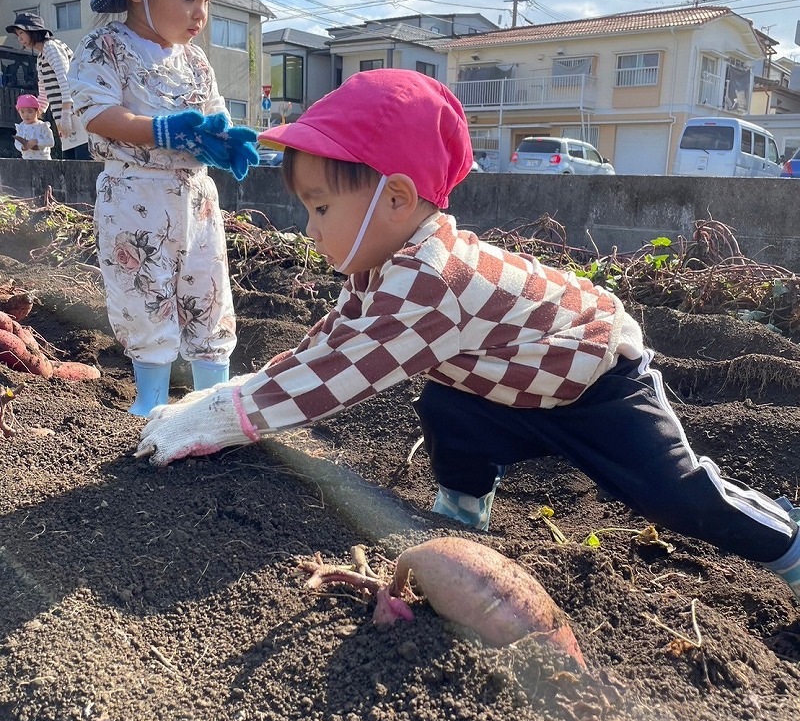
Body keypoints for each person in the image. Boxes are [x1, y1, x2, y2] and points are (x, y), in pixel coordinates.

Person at [135, 68, 800, 602]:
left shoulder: (428, 280)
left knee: (671, 493)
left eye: (320, 206)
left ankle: (785, 540)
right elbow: (329, 342)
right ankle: (461, 508)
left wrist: (226, 413)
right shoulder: (386, 265)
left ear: (396, 200)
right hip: (514, 382)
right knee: (449, 405)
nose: (309, 225)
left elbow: (333, 380)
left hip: (597, 378)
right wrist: (229, 397)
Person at [68, 0, 260, 417]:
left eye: (207, 0)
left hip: (196, 199)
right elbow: (94, 111)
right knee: (143, 290)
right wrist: (160, 129)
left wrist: (228, 140)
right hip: (135, 193)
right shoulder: (106, 46)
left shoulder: (195, 61)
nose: (201, 14)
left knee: (208, 287)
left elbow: (214, 117)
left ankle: (210, 396)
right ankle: (151, 396)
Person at [5, 12, 90, 160]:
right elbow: (44, 92)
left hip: (76, 113)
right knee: (70, 164)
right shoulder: (41, 56)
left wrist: (65, 113)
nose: (20, 39)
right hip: (63, 116)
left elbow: (65, 79)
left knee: (82, 161)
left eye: (21, 33)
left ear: (33, 31)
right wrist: (33, 116)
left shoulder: (51, 48)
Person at [13, 93, 55, 160]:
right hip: (26, 161)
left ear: (37, 112)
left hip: (43, 161)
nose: (26, 115)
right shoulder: (21, 127)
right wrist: (22, 147)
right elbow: (17, 143)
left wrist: (37, 141)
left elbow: (51, 142)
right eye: (22, 112)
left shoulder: (42, 126)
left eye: (29, 112)